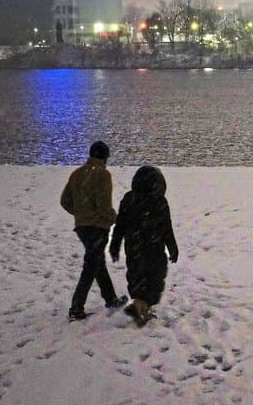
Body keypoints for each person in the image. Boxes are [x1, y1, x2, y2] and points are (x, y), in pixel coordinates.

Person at [60, 140, 127, 321]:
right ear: (105, 157)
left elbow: (65, 201)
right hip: (97, 227)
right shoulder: (102, 175)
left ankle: (111, 299)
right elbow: (104, 206)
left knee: (97, 263)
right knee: (91, 266)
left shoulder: (76, 174)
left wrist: (81, 214)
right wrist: (114, 219)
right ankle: (76, 308)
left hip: (82, 227)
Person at [109, 166, 179, 327]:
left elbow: (120, 226)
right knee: (154, 278)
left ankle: (140, 304)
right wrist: (172, 247)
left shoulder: (129, 199)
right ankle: (143, 308)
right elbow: (166, 228)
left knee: (137, 277)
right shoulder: (159, 201)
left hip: (134, 247)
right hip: (154, 248)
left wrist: (115, 244)